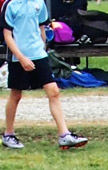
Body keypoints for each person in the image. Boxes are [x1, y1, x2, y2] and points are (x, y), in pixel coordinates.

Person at [2, 0, 88, 150]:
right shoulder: (10, 5)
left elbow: (41, 28)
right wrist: (21, 58)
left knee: (53, 91)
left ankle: (64, 134)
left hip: (38, 55)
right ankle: (8, 134)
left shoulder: (38, 3)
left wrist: (42, 49)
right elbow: (7, 35)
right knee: (16, 95)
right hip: (18, 57)